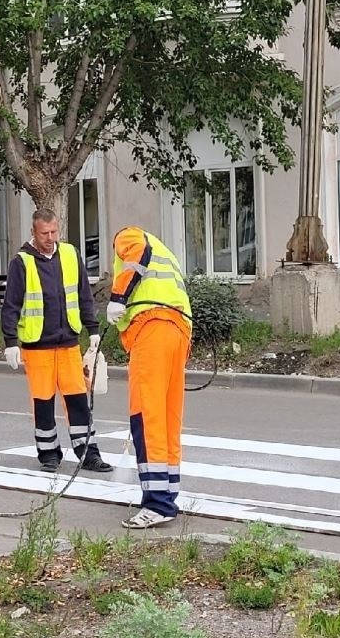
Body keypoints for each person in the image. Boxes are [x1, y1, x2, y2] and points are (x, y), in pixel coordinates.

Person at [1, 208, 113, 474]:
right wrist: (10, 342)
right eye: (44, 234)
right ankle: (49, 454)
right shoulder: (22, 262)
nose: (50, 238)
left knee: (78, 401)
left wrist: (93, 329)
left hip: (68, 343)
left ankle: (89, 454)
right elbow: (11, 305)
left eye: (54, 232)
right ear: (34, 232)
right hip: (37, 345)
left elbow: (83, 294)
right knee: (43, 402)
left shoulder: (71, 255)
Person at [107, 226, 192, 529]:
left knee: (146, 415)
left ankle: (156, 504)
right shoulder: (165, 249)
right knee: (168, 418)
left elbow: (135, 254)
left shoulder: (127, 235)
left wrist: (118, 297)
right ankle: (166, 496)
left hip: (151, 327)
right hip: (177, 329)